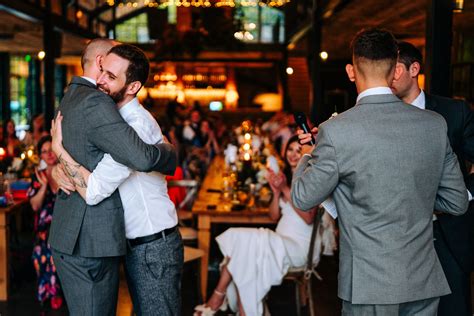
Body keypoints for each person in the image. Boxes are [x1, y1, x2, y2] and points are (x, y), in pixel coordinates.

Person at [291, 28, 468, 315]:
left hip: (369, 283)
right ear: (395, 70)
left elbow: (302, 196)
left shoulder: (335, 131)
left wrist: (307, 156)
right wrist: (412, 198)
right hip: (423, 279)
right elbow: (457, 202)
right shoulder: (434, 124)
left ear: (351, 71)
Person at [48, 38, 177, 316]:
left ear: (133, 87)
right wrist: (58, 167)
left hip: (153, 244)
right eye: (103, 71)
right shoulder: (112, 118)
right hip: (133, 243)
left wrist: (58, 150)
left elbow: (93, 190)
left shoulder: (134, 126)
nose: (101, 82)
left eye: (111, 76)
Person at [194, 135, 336, 316]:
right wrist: (276, 193)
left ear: (308, 153)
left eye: (298, 150)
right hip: (280, 241)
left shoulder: (311, 178)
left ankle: (218, 298)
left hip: (300, 247)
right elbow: (273, 216)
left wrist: (284, 189)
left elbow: (308, 218)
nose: (293, 154)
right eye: (290, 149)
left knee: (244, 243)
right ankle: (240, 309)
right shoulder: (287, 175)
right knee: (245, 249)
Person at [391, 41, 474, 316]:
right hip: (398, 239)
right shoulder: (380, 117)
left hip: (448, 233)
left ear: (414, 69)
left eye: (394, 69)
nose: (388, 77)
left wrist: (461, 195)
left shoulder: (454, 112)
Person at [27, 135, 63, 310]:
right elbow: (34, 206)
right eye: (44, 152)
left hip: (64, 230)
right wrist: (43, 186)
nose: (49, 154)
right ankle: (50, 295)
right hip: (44, 233)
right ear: (40, 156)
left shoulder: (66, 173)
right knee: (43, 250)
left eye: (51, 150)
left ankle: (57, 294)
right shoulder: (38, 176)